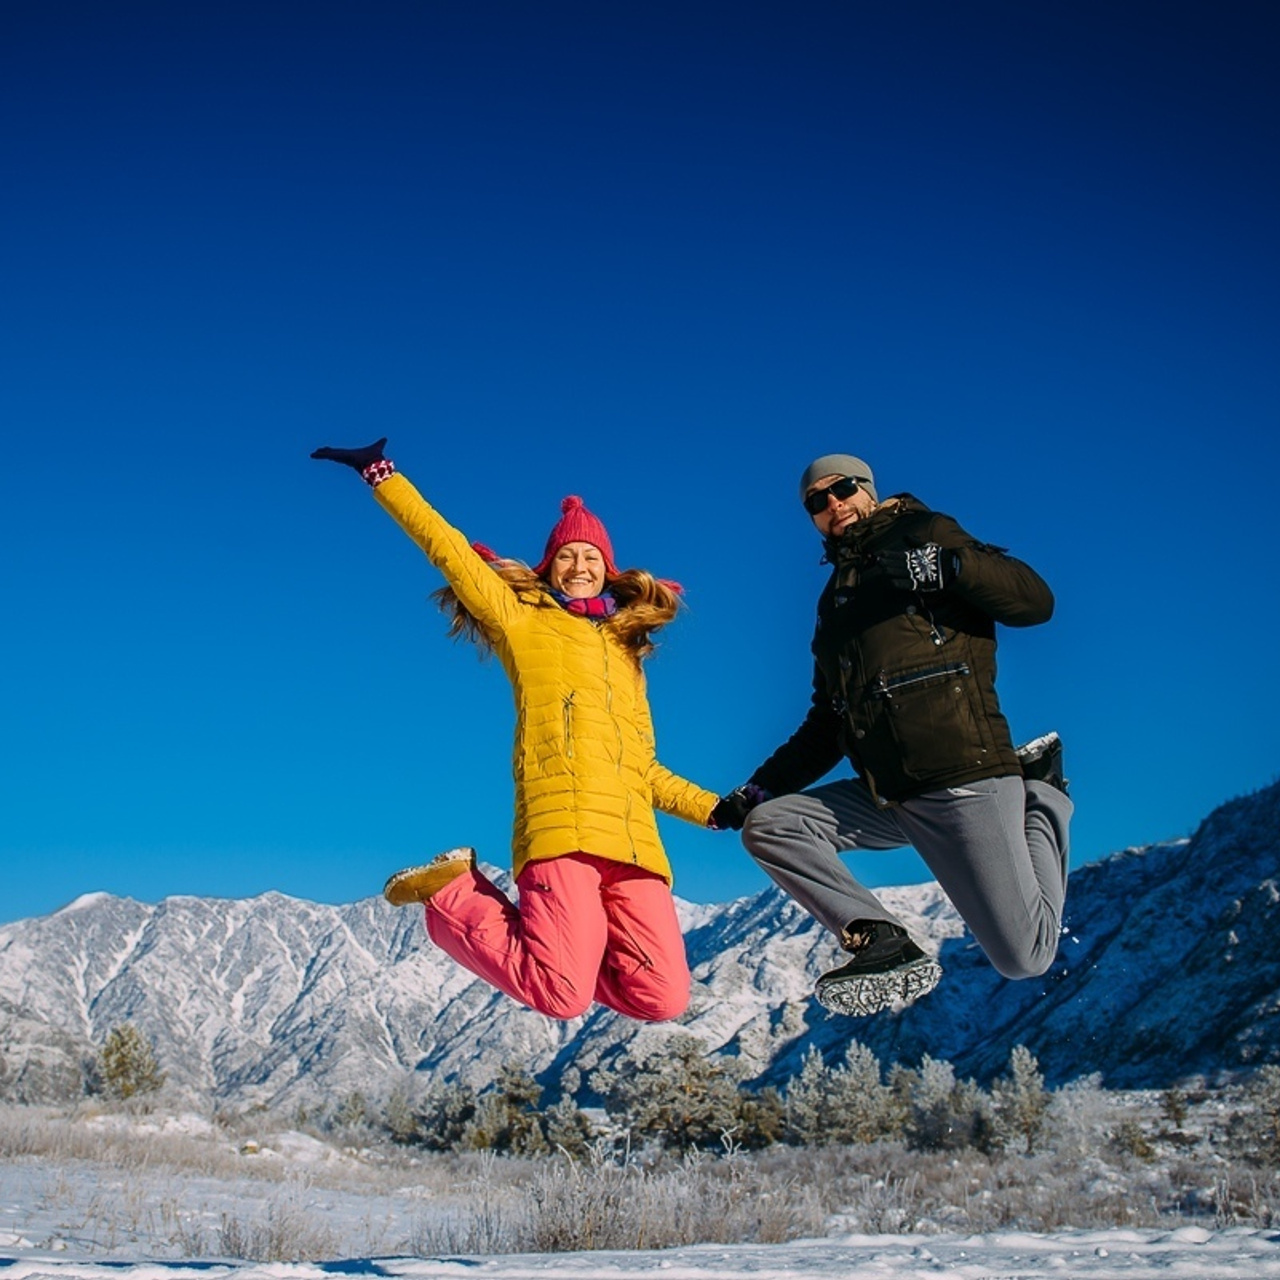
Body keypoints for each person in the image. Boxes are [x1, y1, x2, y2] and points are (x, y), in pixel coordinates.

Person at [311, 438, 718, 1022]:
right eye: (568, 557)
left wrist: (720, 809)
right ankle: (451, 892)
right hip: (560, 833)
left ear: (610, 572)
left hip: (637, 849)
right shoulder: (522, 622)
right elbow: (449, 552)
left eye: (592, 559)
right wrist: (383, 476)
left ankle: (570, 952)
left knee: (663, 999)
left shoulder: (628, 660)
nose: (579, 567)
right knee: (562, 997)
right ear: (549, 566)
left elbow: (646, 770)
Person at [709, 453, 1073, 1017]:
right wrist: (758, 790)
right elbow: (826, 722)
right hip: (888, 793)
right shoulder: (835, 602)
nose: (833, 504)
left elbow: (1034, 601)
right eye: (816, 501)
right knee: (772, 826)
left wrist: (945, 569)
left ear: (869, 491)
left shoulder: (924, 532)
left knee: (1024, 959)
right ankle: (881, 940)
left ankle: (1044, 795)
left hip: (962, 776)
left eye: (844, 489)